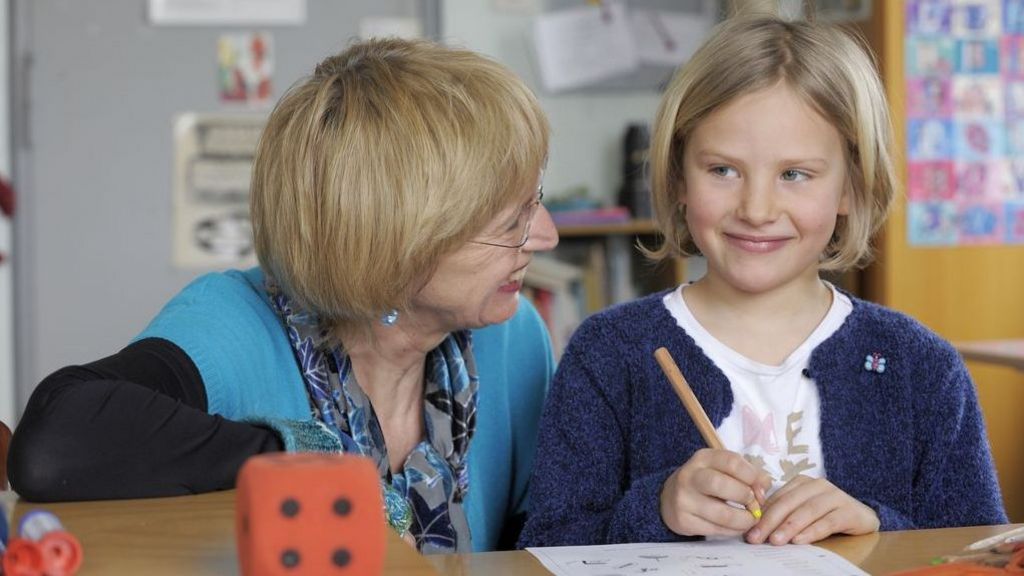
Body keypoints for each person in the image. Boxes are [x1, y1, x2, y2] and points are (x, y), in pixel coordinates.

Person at [8, 37, 558, 554]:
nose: (546, 236)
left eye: (534, 202)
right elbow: (55, 443)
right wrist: (305, 462)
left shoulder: (514, 338)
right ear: (398, 238)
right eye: (513, 222)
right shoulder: (235, 322)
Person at [518, 12, 1007, 548]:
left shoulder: (920, 366)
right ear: (679, 176)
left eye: (794, 174)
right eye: (723, 170)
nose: (756, 208)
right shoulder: (609, 352)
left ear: (850, 186)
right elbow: (547, 547)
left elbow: (981, 554)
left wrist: (876, 527)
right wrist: (658, 508)